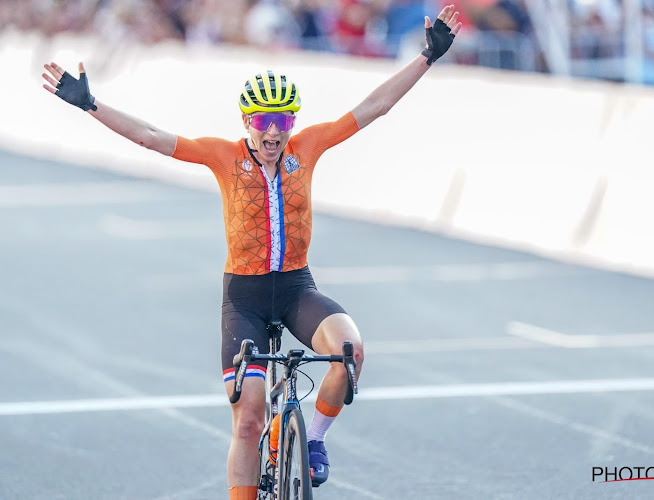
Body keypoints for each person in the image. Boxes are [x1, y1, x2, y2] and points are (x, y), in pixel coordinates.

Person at [42, 5, 461, 499]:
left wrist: (426, 58)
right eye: (263, 120)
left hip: (296, 287)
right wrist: (93, 105)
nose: (273, 131)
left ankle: (316, 442)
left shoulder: (307, 148)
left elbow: (375, 107)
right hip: (244, 298)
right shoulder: (223, 156)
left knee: (350, 353)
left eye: (282, 119)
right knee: (249, 422)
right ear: (247, 120)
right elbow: (150, 137)